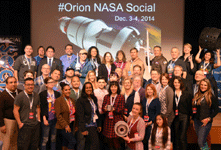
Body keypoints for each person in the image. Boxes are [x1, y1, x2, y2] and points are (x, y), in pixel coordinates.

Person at [13, 78, 41, 150]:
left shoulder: (36, 95)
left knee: (34, 146)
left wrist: (38, 119)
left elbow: (38, 107)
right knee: (23, 147)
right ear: (24, 85)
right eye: (28, 85)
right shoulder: (20, 96)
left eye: (32, 84)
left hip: (35, 125)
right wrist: (19, 123)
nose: (30, 86)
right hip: (24, 125)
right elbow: (15, 110)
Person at [192, 78, 219, 150]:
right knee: (203, 141)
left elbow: (216, 110)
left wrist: (209, 118)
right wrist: (193, 120)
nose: (203, 86)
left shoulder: (211, 96)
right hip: (197, 121)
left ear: (208, 86)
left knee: (200, 142)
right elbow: (195, 109)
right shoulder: (197, 95)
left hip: (205, 122)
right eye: (201, 84)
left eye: (205, 85)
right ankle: (207, 148)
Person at [76, 82, 101, 150]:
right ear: (84, 89)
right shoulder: (80, 100)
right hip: (87, 125)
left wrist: (99, 124)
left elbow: (96, 112)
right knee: (95, 144)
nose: (88, 89)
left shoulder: (94, 98)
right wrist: (83, 129)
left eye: (90, 87)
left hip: (94, 124)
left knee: (89, 144)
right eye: (87, 88)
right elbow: (80, 116)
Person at [39, 77, 61, 150]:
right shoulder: (42, 94)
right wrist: (44, 119)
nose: (51, 84)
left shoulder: (57, 94)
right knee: (45, 139)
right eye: (49, 82)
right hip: (47, 119)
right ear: (46, 84)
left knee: (53, 139)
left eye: (52, 82)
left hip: (55, 119)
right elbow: (42, 107)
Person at [102, 81, 125, 150]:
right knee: (109, 140)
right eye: (112, 87)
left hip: (117, 120)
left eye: (115, 87)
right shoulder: (106, 97)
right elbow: (103, 108)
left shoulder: (120, 97)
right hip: (108, 120)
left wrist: (114, 109)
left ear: (118, 88)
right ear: (110, 88)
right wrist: (105, 109)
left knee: (117, 140)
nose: (113, 88)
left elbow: (121, 109)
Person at [0, 77, 21, 150]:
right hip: (8, 122)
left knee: (16, 143)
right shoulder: (2, 95)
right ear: (6, 84)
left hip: (19, 122)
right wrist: (2, 125)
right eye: (11, 82)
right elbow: (0, 111)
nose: (13, 84)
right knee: (7, 144)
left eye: (15, 82)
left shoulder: (20, 92)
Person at [171, 76, 192, 150]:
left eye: (178, 82)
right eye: (175, 82)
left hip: (184, 116)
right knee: (176, 137)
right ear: (173, 83)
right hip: (174, 117)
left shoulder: (186, 93)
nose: (176, 84)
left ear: (181, 83)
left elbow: (190, 106)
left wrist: (190, 117)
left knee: (182, 137)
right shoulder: (171, 93)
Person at [54, 83, 76, 150]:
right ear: (62, 91)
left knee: (65, 142)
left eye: (69, 89)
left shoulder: (72, 100)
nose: (68, 91)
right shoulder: (58, 100)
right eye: (66, 90)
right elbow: (58, 115)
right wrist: (65, 125)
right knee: (73, 141)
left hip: (72, 123)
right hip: (64, 125)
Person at [141, 84, 161, 150]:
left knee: (150, 140)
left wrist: (151, 122)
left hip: (152, 123)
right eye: (148, 89)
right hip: (144, 123)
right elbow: (142, 111)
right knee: (143, 140)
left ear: (154, 91)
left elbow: (157, 113)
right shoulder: (144, 100)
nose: (149, 91)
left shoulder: (157, 100)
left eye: (151, 89)